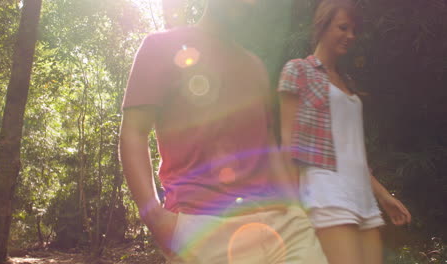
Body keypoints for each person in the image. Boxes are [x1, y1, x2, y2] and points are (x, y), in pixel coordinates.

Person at [119, 0, 327, 263]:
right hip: (205, 227)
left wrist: (295, 210)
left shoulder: (255, 67)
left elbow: (268, 146)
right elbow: (134, 134)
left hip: (283, 226)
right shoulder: (159, 46)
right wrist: (154, 217)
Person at [278, 0, 411, 263]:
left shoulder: (348, 82)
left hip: (362, 195)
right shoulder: (298, 70)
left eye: (353, 30)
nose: (350, 36)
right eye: (343, 27)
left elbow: (352, 151)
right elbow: (288, 141)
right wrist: (290, 207)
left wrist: (384, 196)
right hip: (326, 191)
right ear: (323, 26)